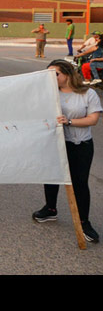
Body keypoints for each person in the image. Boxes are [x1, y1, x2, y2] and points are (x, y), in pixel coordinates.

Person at [32, 60, 101, 243]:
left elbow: (93, 119)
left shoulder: (88, 94)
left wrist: (69, 122)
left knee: (79, 182)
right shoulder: (49, 94)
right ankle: (50, 208)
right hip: (55, 142)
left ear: (67, 74)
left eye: (55, 75)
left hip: (80, 144)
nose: (51, 79)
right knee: (52, 176)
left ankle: (84, 222)